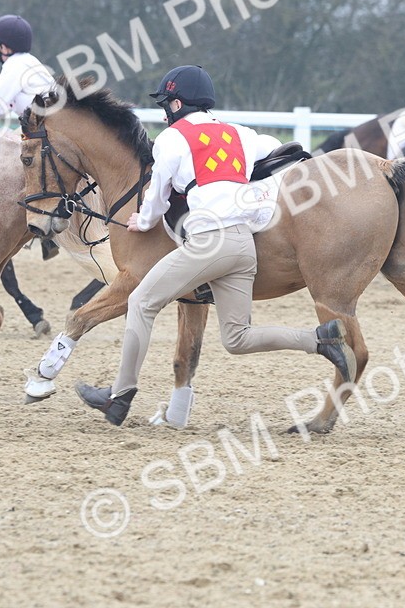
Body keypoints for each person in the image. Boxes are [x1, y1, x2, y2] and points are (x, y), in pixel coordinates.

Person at [74, 65, 354, 425]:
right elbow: (278, 152)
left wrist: (141, 221)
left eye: (166, 104)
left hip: (209, 244)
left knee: (141, 300)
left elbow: (157, 199)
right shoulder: (240, 134)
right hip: (243, 246)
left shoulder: (171, 139)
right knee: (237, 338)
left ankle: (119, 395)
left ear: (177, 104)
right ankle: (322, 341)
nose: (164, 112)